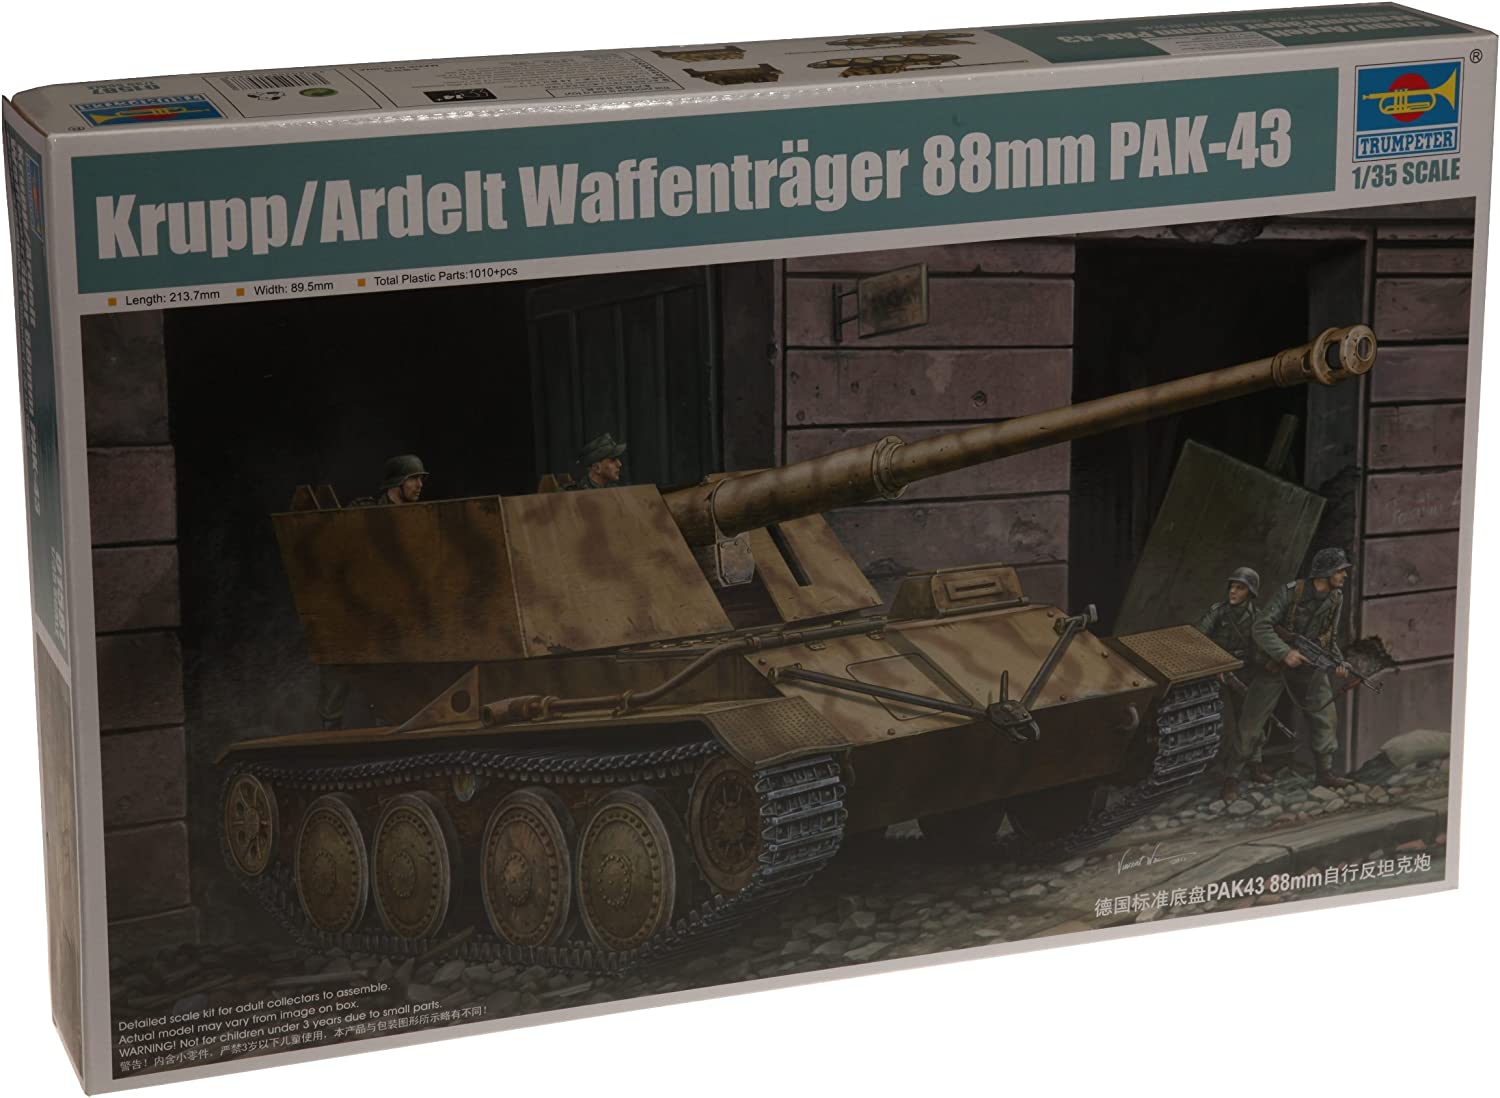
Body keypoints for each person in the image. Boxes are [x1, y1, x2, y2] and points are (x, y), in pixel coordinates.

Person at [1222, 548, 1354, 803]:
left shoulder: (1335, 598)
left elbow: (1329, 638)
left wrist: (1339, 662)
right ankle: (1232, 778)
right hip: (1275, 665)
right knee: (1251, 723)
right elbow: (1261, 627)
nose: (1344, 576)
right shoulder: (1291, 592)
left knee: (1326, 717)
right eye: (1340, 571)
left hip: (1310, 666)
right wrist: (1284, 653)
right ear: (1325, 573)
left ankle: (1324, 773)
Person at [350, 454, 429, 507]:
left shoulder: (422, 513)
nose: (420, 485)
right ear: (396, 483)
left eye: (420, 478)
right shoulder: (364, 509)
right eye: (412, 479)